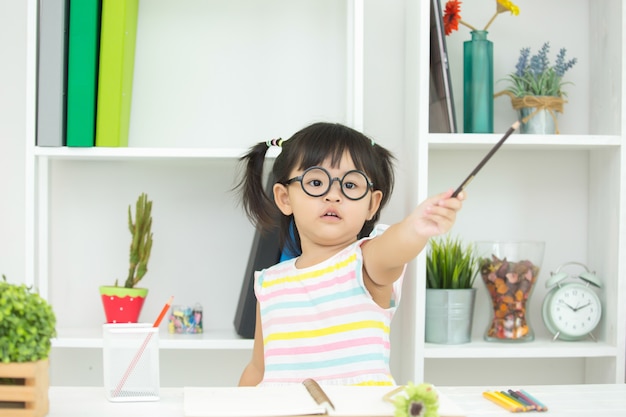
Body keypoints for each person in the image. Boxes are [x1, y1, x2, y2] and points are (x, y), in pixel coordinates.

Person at [235, 122, 465, 387]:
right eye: (316, 182)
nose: (333, 195)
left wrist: (417, 226)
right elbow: (258, 368)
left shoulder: (365, 261)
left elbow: (396, 246)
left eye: (351, 185)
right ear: (285, 198)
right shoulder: (269, 283)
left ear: (372, 204)